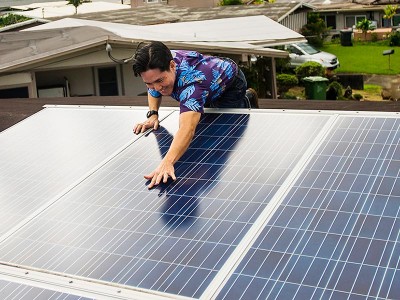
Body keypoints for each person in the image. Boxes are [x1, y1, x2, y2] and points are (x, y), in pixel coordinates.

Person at [132, 41, 258, 189]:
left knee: (219, 128)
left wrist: (167, 162)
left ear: (172, 66)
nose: (157, 88)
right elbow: (154, 87)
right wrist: (153, 115)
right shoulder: (156, 62)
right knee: (197, 128)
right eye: (149, 83)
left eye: (160, 81)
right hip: (207, 81)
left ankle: (247, 98)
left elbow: (187, 129)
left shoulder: (193, 85)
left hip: (230, 85)